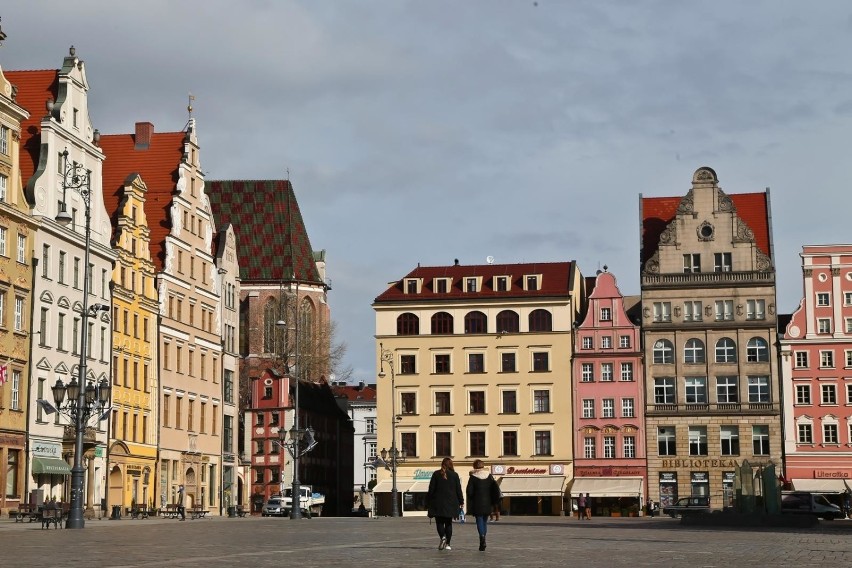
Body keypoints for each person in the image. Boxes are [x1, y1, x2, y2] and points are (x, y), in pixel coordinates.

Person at [427, 457, 464, 551]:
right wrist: (461, 501)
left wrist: (429, 500)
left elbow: (431, 489)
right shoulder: (455, 475)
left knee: (439, 522)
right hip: (451, 503)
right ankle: (448, 544)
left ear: (442, 464)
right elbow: (458, 490)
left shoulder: (436, 474)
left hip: (438, 502)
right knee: (448, 523)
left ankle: (442, 537)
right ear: (451, 465)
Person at [466, 459, 501, 552]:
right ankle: (483, 538)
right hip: (488, 502)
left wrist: (472, 498)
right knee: (485, 521)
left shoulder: (473, 477)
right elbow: (494, 489)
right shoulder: (489, 476)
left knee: (479, 520)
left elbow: (469, 491)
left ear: (474, 466)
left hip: (477, 502)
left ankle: (482, 538)